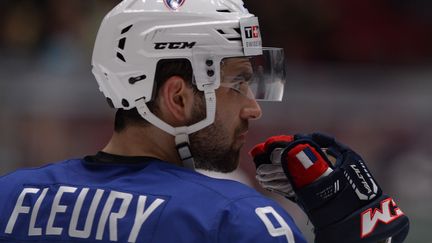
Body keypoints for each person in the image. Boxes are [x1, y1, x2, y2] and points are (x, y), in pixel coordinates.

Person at [0, 0, 409, 242]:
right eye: (238, 83)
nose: (254, 108)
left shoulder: (12, 197)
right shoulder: (234, 219)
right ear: (177, 96)